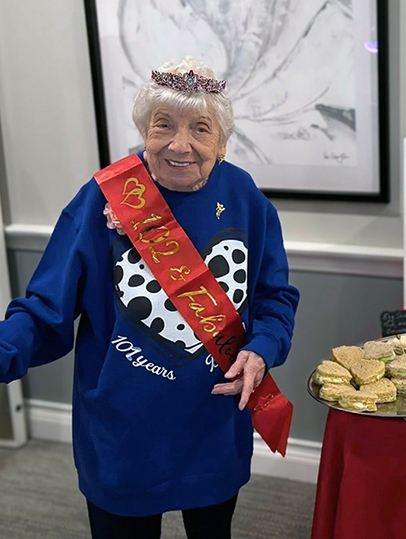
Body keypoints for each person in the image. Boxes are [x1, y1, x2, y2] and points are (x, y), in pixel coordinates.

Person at [0, 57, 299, 538]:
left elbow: (274, 297)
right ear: (145, 131)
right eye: (164, 126)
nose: (180, 145)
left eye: (200, 129)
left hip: (213, 426)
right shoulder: (104, 197)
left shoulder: (245, 196)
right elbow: (43, 311)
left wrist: (263, 348)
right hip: (123, 433)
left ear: (221, 142)